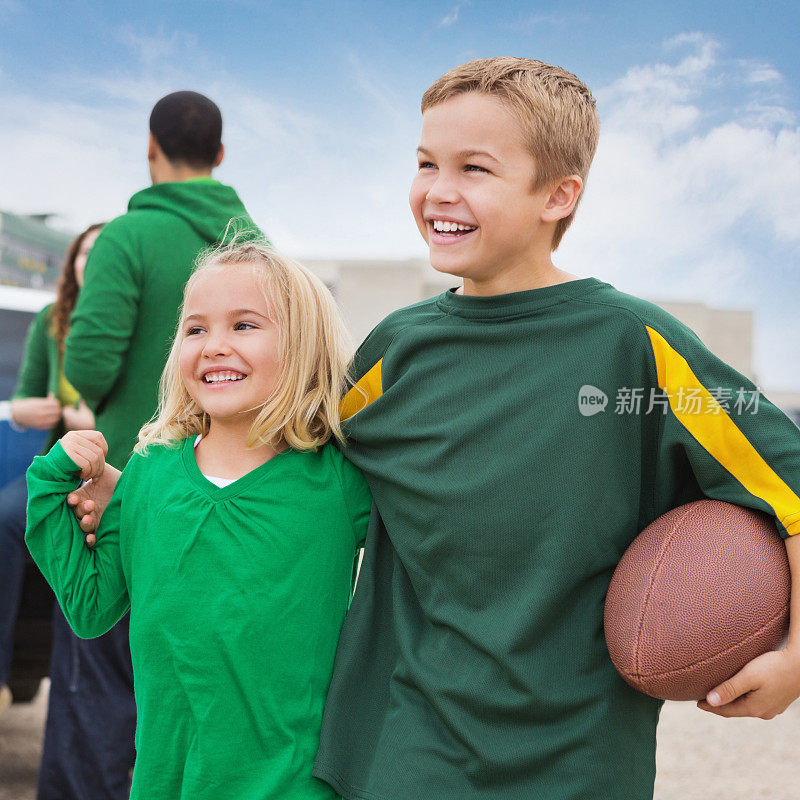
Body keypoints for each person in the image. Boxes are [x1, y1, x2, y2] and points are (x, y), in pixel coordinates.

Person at [74, 60, 800, 800]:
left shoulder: (636, 349)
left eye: (474, 168)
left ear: (559, 194)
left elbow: (791, 487)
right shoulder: (398, 352)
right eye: (426, 163)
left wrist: (796, 658)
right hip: (404, 744)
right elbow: (279, 473)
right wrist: (135, 498)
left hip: (579, 760)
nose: (438, 190)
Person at [26, 242, 370, 799]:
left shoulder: (339, 480)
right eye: (195, 330)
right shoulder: (149, 474)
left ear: (304, 344)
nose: (214, 347)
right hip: (166, 786)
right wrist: (49, 486)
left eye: (244, 325)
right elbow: (90, 608)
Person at [39, 90, 258, 800]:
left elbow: (90, 364)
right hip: (233, 495)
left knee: (96, 685)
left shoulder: (129, 237)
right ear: (221, 156)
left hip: (127, 488)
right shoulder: (257, 243)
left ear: (151, 150)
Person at [0, 223, 101, 713]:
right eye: (83, 252)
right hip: (57, 462)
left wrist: (92, 419)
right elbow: (23, 399)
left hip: (112, 462)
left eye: (103, 253)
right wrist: (27, 410)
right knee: (6, 517)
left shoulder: (133, 320)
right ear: (72, 262)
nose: (91, 261)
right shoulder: (50, 320)